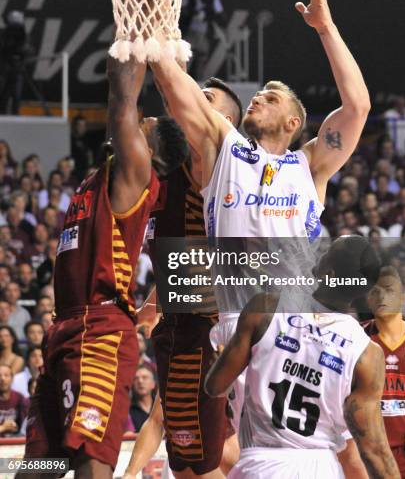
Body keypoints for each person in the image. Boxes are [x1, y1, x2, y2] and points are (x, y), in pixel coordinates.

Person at [149, 0, 371, 431]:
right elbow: (173, 85)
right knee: (253, 448)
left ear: (295, 123)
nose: (258, 98)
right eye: (259, 94)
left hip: (298, 324)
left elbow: (358, 106)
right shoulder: (223, 147)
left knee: (323, 444)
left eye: (272, 98)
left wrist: (326, 27)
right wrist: (150, 4)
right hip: (238, 328)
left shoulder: (310, 165)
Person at [19, 50, 187, 479]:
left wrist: (129, 30)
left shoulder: (137, 175)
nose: (136, 124)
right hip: (63, 335)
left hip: (100, 336)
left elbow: (121, 101)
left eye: (143, 128)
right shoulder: (100, 178)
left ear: (153, 155)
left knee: (90, 465)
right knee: (40, 468)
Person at [205, 236, 400, 478]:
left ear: (327, 272)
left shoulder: (264, 308)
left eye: (328, 252)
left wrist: (217, 361)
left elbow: (215, 386)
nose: (320, 254)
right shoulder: (367, 353)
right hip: (321, 468)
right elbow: (375, 451)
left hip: (261, 464)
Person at [135, 76, 242, 479]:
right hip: (182, 320)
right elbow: (183, 254)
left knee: (196, 464)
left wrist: (162, 50)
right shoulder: (175, 170)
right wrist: (153, 301)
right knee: (191, 462)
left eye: (206, 98)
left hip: (205, 323)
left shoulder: (215, 158)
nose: (194, 100)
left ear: (225, 120)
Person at [363, 265, 405, 476]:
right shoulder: (355, 337)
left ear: (403, 296)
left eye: (389, 290)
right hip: (366, 452)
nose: (381, 296)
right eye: (374, 291)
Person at [0, 364, 28, 437]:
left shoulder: (20, 398)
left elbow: (26, 428)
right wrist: (3, 428)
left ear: (12, 379)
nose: (2, 378)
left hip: (16, 443)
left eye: (6, 375)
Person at [128, 365, 156, 433]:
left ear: (153, 384)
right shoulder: (126, 410)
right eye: (136, 378)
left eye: (145, 377)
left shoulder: (162, 407)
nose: (140, 381)